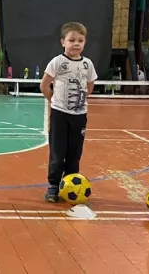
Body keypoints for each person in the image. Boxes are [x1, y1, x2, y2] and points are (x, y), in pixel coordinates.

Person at [40, 22, 98, 202]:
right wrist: (54, 101)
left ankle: (71, 183)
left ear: (85, 42)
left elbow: (89, 87)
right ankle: (53, 185)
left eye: (80, 40)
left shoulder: (87, 64)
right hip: (59, 114)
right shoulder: (58, 62)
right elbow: (44, 85)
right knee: (58, 152)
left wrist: (80, 101)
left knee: (74, 152)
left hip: (79, 116)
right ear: (62, 42)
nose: (76, 44)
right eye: (71, 40)